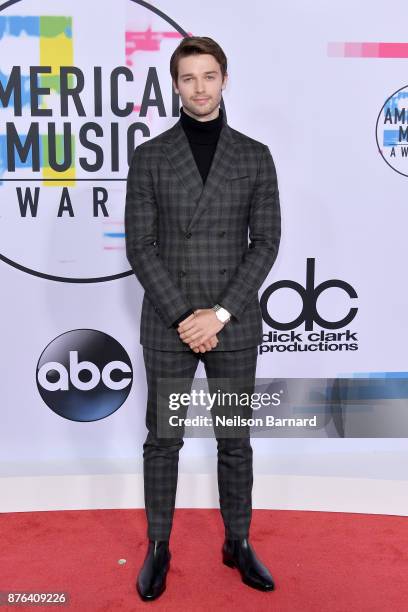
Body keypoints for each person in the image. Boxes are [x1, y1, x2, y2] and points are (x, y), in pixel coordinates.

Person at [125, 36, 281, 602]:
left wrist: (217, 314)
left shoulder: (254, 155)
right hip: (170, 324)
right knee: (163, 440)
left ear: (224, 78)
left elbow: (265, 244)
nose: (199, 88)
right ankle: (159, 545)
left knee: (234, 440)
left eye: (208, 76)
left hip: (232, 323)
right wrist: (185, 316)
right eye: (188, 78)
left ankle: (237, 542)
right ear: (174, 84)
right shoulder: (149, 157)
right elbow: (140, 247)